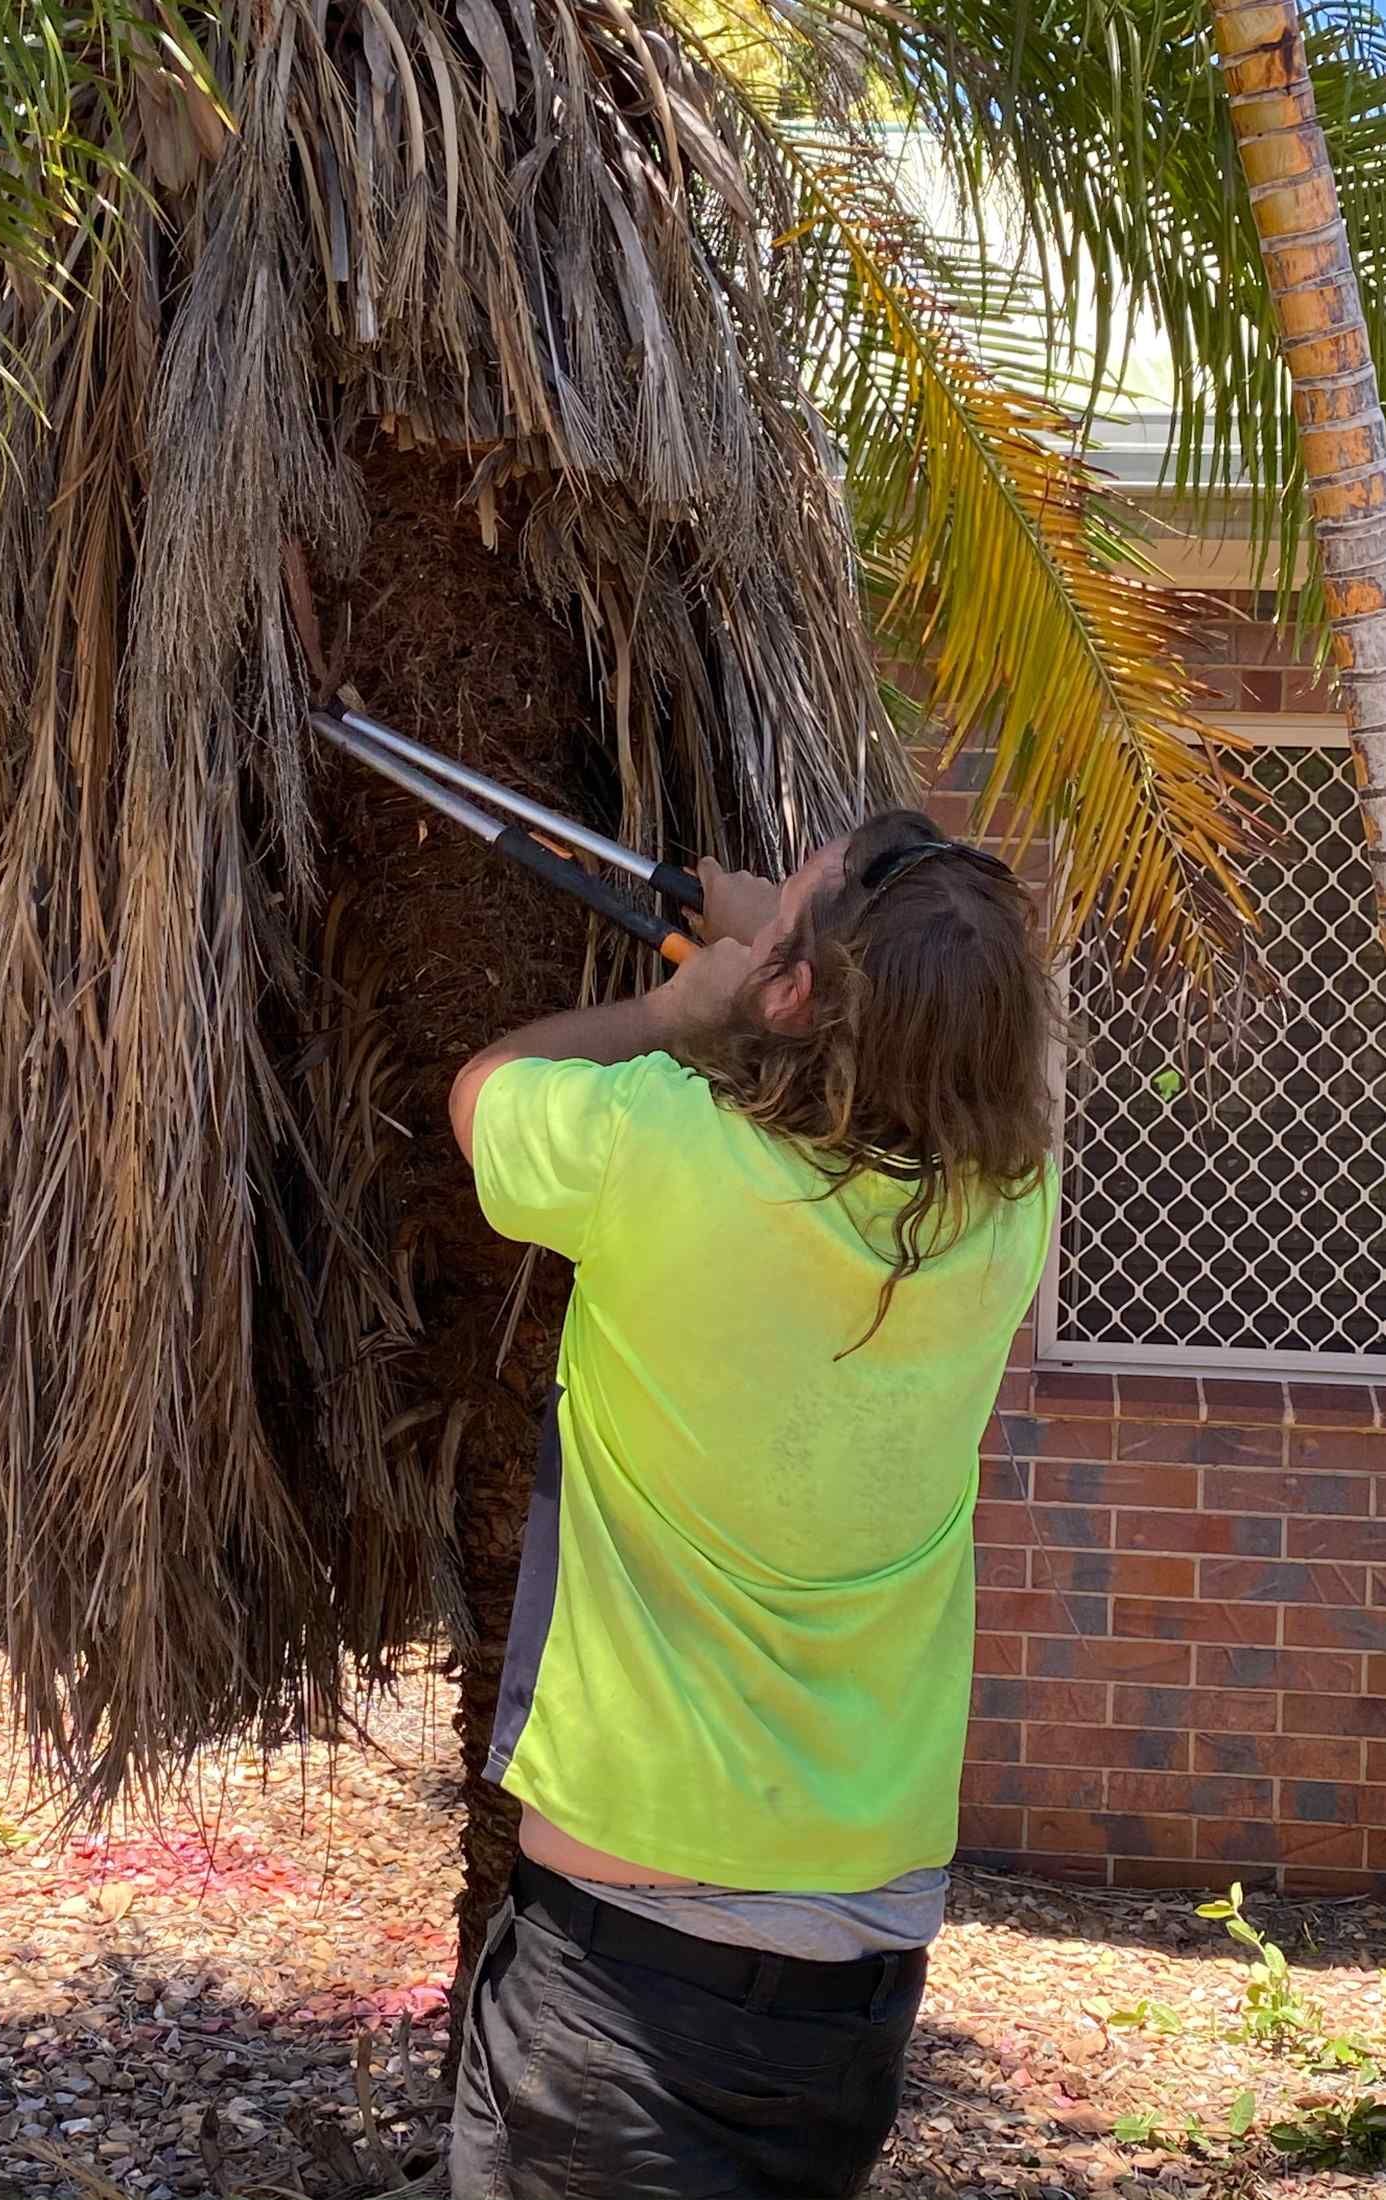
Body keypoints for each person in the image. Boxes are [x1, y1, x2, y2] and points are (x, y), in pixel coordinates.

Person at [446, 809, 1057, 2200]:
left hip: (631, 1955)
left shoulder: (660, 1152)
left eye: (790, 913)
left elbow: (484, 1091)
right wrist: (779, 944)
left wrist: (674, 1002)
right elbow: (887, 1063)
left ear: (792, 989)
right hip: (861, 1951)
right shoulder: (1007, 1209)